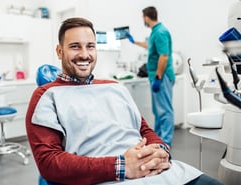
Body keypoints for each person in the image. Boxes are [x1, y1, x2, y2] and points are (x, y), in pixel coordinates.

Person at [26, 17, 222, 185]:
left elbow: (144, 130)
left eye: (90, 46)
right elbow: (49, 163)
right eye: (75, 46)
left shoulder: (115, 87)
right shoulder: (47, 96)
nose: (84, 54)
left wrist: (161, 151)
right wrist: (121, 166)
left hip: (162, 172)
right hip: (106, 178)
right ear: (59, 51)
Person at [127, 6, 175, 147]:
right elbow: (149, 45)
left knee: (165, 110)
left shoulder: (160, 32)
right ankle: (159, 138)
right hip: (156, 76)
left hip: (162, 76)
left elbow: (164, 56)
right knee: (158, 110)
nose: (143, 20)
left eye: (143, 17)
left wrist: (158, 77)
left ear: (147, 17)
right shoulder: (155, 31)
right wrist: (133, 41)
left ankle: (165, 142)